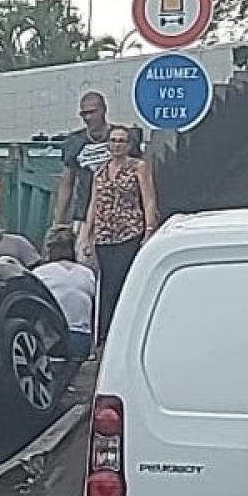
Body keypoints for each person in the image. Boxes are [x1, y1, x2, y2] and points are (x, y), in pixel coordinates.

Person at [79, 125, 159, 341]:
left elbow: (148, 199)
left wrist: (149, 229)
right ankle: (104, 335)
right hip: (105, 235)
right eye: (113, 140)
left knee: (121, 279)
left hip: (129, 231)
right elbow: (94, 204)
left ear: (129, 145)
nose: (117, 145)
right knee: (106, 284)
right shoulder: (100, 170)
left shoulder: (138, 167)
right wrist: (87, 234)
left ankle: (122, 331)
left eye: (121, 141)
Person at [52, 92, 143, 250]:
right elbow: (67, 183)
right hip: (84, 214)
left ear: (103, 110)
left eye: (92, 112)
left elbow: (141, 176)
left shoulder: (121, 136)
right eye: (84, 113)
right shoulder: (74, 142)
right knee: (83, 256)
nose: (87, 118)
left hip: (121, 216)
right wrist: (59, 221)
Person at [31, 225, 95, 366]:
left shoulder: (40, 273)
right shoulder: (87, 274)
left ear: (50, 250)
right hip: (81, 339)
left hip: (52, 339)